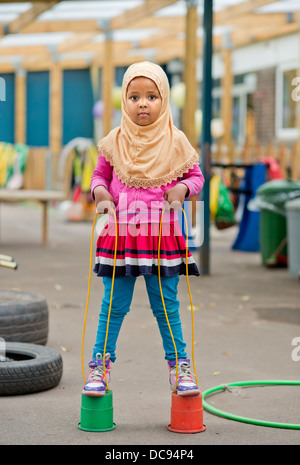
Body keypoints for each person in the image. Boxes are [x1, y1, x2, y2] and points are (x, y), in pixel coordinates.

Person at [82, 61, 204, 398]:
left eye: (151, 96)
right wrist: (101, 192)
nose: (143, 103)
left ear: (163, 100)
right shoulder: (113, 140)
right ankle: (99, 367)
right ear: (125, 100)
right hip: (121, 236)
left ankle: (180, 367)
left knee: (166, 305)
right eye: (134, 97)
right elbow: (98, 175)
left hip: (162, 236)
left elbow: (196, 177)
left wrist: (183, 190)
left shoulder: (176, 140)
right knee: (113, 305)